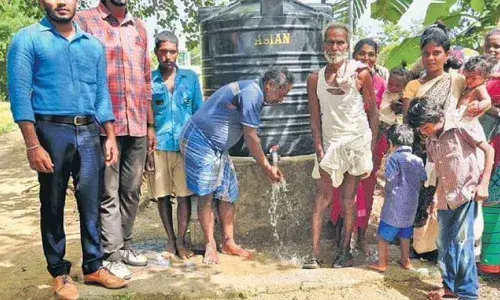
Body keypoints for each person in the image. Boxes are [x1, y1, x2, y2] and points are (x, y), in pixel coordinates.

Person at [7, 0, 128, 298]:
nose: (61, 2)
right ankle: (59, 272)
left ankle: (93, 266)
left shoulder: (92, 46)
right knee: (52, 202)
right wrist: (33, 144)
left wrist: (110, 135)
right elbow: (20, 93)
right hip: (50, 130)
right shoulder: (28, 39)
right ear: (40, 1)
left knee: (91, 201)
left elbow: (101, 93)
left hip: (88, 132)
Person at [179, 66, 293, 265]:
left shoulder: (255, 92)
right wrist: (267, 168)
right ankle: (210, 245)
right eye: (281, 95)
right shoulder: (251, 93)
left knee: (228, 192)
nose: (281, 100)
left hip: (217, 148)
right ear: (270, 85)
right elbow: (250, 137)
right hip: (200, 140)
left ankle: (228, 242)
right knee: (206, 195)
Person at [76, 0, 156, 279]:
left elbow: (146, 80)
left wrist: (149, 124)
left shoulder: (140, 28)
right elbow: (80, 74)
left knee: (132, 191)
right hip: (102, 127)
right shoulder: (85, 21)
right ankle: (110, 254)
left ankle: (125, 245)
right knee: (107, 193)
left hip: (136, 124)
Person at [303, 22, 379, 269]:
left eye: (340, 42)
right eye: (330, 42)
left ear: (347, 45)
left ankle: (345, 252)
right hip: (330, 144)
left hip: (356, 143)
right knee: (322, 197)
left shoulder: (361, 74)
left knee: (348, 200)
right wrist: (318, 147)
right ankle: (313, 255)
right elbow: (315, 118)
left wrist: (369, 147)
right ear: (323, 44)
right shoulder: (314, 78)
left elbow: (374, 114)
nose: (334, 47)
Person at [407, 97, 494, 300]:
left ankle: (468, 294)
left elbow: (489, 150)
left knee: (463, 245)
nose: (423, 132)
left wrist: (484, 183)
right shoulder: (430, 140)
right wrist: (436, 198)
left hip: (467, 194)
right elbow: (439, 170)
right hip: (446, 198)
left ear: (435, 118)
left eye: (425, 127)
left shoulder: (460, 128)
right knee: (444, 244)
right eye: (421, 129)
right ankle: (450, 287)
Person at [330, 38, 387, 254]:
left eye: (371, 54)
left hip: (372, 143)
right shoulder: (344, 79)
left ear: (376, 57)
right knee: (341, 191)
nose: (366, 58)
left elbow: (379, 115)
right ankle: (340, 239)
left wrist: (371, 148)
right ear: (354, 56)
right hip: (345, 141)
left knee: (367, 189)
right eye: (362, 54)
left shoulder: (381, 83)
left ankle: (362, 238)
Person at [151, 30, 203, 259]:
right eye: (163, 52)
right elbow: (146, 114)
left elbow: (199, 113)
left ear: (178, 52)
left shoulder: (190, 78)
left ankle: (182, 241)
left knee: (183, 196)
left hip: (185, 147)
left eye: (172, 51)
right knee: (162, 196)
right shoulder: (148, 80)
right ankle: (170, 240)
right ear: (156, 53)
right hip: (158, 147)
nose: (168, 56)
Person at [368, 124, 426, 272]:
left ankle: (382, 263)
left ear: (391, 143)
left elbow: (390, 176)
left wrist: (378, 173)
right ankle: (405, 261)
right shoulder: (417, 160)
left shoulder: (394, 158)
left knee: (383, 236)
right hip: (411, 204)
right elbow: (423, 179)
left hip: (394, 206)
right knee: (405, 235)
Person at [478, 28, 500, 275]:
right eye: (489, 46)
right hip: (482, 145)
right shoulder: (477, 73)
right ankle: (482, 263)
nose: (493, 50)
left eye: (498, 46)